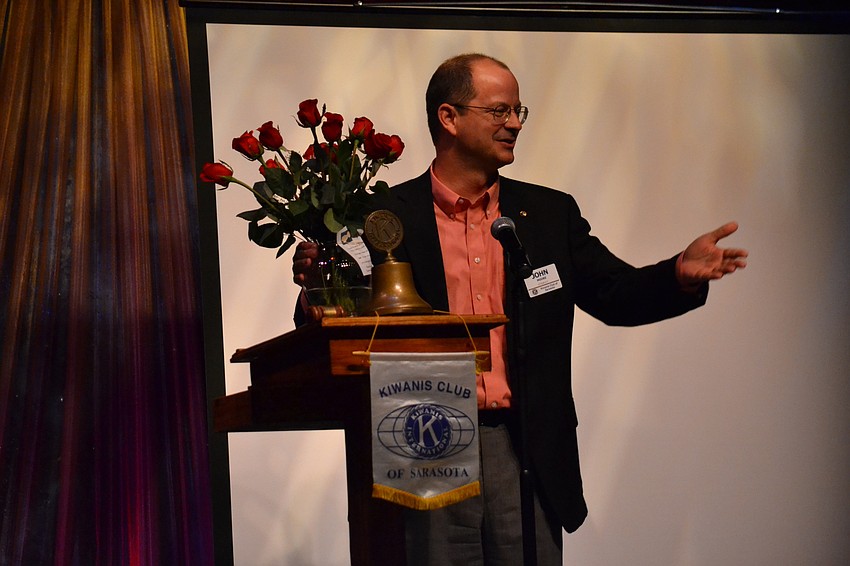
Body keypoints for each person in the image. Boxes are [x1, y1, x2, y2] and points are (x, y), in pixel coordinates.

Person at [292, 53, 747, 566]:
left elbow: (615, 294)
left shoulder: (549, 214)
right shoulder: (384, 217)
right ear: (450, 118)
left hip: (524, 443)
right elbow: (340, 320)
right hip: (425, 438)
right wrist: (317, 284)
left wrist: (677, 275)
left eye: (518, 112)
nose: (514, 124)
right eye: (499, 111)